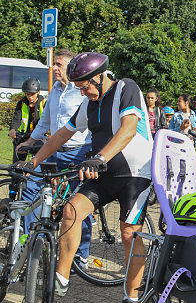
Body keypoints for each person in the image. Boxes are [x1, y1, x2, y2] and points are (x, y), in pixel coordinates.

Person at [21, 52, 153, 301]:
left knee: (128, 233)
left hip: (135, 175)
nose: (82, 93)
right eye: (79, 88)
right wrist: (34, 161)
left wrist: (100, 157)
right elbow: (62, 134)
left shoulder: (126, 87)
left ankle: (133, 297)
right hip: (103, 173)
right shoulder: (88, 104)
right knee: (71, 210)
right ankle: (61, 276)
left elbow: (129, 129)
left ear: (99, 77)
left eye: (84, 87)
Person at [16, 49, 93, 270]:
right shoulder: (54, 92)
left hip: (78, 152)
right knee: (31, 188)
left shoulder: (81, 91)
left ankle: (81, 253)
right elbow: (44, 123)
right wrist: (30, 142)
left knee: (79, 202)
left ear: (70, 67)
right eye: (54, 64)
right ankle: (29, 245)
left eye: (58, 64)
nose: (54, 68)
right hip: (54, 151)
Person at [9, 77, 47, 162]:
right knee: (18, 156)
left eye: (32, 94)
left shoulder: (44, 103)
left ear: (38, 92)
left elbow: (48, 120)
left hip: (39, 136)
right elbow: (17, 117)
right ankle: (17, 173)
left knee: (39, 156)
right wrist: (13, 129)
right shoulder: (22, 103)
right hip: (25, 135)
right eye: (27, 94)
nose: (29, 97)